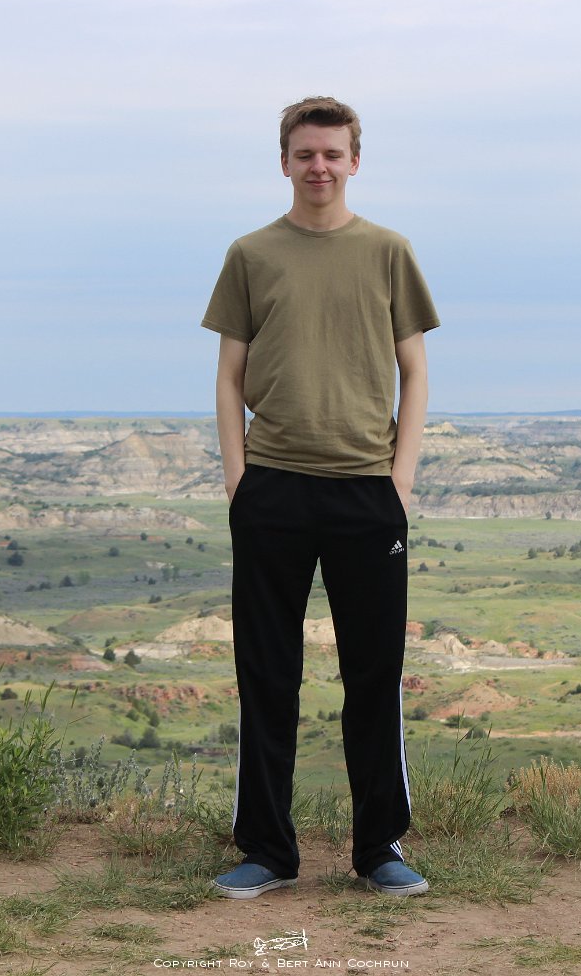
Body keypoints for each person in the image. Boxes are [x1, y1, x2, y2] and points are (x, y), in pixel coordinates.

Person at [201, 96, 440, 899]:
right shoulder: (250, 254)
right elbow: (229, 376)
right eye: (306, 154)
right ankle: (268, 850)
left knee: (374, 675)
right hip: (272, 488)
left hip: (366, 492)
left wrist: (400, 481)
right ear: (285, 162)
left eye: (333, 154)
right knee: (267, 674)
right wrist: (238, 481)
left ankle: (379, 849)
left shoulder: (388, 252)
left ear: (354, 162)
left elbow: (416, 371)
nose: (319, 167)